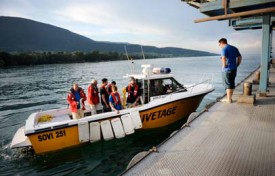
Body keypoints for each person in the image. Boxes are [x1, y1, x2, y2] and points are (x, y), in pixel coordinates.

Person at [218, 38, 242, 103]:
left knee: (227, 84)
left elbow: (223, 57)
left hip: (227, 69)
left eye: (219, 44)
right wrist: (237, 64)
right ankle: (230, 98)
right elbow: (239, 57)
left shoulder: (224, 49)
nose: (219, 46)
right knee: (231, 83)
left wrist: (224, 65)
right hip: (234, 69)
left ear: (222, 43)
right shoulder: (234, 48)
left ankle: (228, 99)